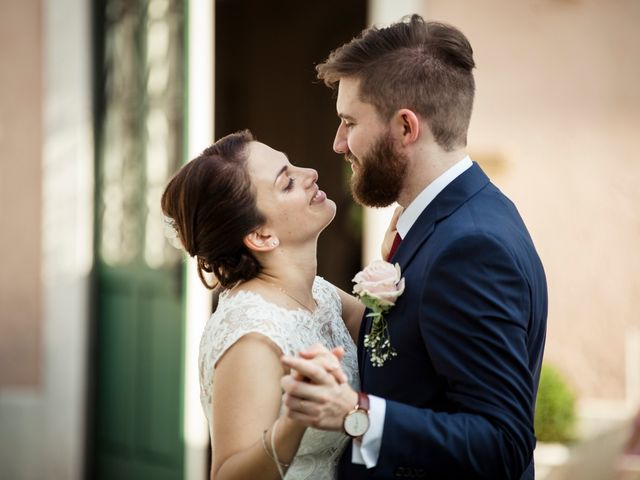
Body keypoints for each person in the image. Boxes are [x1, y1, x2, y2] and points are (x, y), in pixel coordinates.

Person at [280, 14, 548, 480]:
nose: (338, 143)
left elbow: (504, 444)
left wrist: (356, 412)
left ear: (405, 128)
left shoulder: (471, 247)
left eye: (349, 122)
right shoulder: (442, 221)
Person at [161, 130, 372, 479]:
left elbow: (389, 332)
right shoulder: (253, 335)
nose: (310, 174)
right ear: (261, 236)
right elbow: (226, 474)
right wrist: (294, 422)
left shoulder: (319, 294)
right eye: (287, 182)